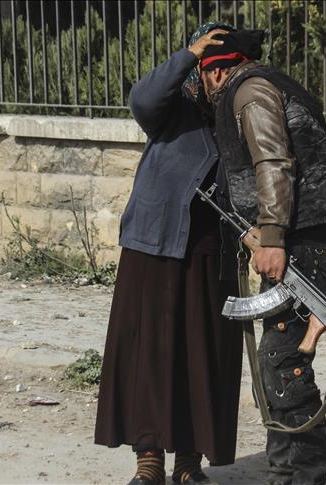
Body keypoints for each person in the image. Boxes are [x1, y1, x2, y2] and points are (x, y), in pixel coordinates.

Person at [198, 30, 326, 485]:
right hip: (307, 232)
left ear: (216, 70)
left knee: (283, 360)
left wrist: (270, 236)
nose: (205, 89)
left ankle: (306, 478)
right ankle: (285, 476)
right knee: (279, 357)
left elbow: (273, 162)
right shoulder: (269, 84)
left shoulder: (248, 92)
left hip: (301, 236)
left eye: (204, 76)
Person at [94, 23, 243, 485]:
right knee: (150, 352)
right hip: (155, 242)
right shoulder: (172, 106)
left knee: (203, 354)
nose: (220, 77)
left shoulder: (242, 110)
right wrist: (186, 54)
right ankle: (149, 459)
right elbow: (141, 98)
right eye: (212, 66)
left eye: (228, 67)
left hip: (210, 248)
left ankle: (188, 462)